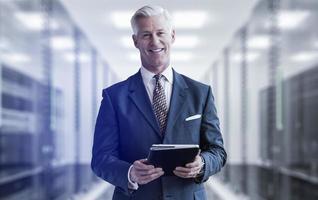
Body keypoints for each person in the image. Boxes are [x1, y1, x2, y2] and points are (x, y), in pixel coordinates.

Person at [91, 5, 227, 200]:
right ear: (135, 41)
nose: (154, 41)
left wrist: (202, 163)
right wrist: (130, 173)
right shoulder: (114, 97)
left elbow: (218, 151)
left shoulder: (200, 93)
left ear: (172, 36)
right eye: (146, 35)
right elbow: (100, 159)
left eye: (160, 33)